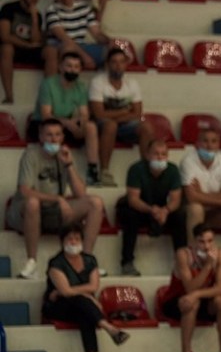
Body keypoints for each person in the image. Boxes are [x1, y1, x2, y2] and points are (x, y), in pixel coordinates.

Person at [9, 119, 104, 279]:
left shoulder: (64, 155)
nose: (54, 139)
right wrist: (58, 199)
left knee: (95, 203)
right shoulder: (30, 154)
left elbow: (81, 193)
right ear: (40, 136)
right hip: (26, 213)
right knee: (33, 203)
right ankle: (31, 262)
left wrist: (69, 165)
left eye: (58, 135)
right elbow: (25, 191)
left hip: (54, 212)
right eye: (49, 135)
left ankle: (86, 261)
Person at [42, 225, 130, 352]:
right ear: (62, 241)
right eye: (70, 238)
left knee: (84, 312)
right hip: (57, 306)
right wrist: (85, 294)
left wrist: (78, 293)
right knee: (81, 302)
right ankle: (109, 328)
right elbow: (66, 291)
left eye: (77, 238)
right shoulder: (56, 263)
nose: (73, 241)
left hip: (81, 306)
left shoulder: (90, 260)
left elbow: (94, 286)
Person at [158, 224, 221, 352]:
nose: (207, 246)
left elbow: (220, 288)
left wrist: (196, 295)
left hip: (201, 298)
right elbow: (189, 288)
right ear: (194, 242)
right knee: (192, 303)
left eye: (210, 241)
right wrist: (207, 267)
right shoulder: (183, 254)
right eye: (202, 242)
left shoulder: (220, 254)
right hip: (177, 300)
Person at [180, 128, 221, 273]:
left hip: (216, 213)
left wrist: (201, 194)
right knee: (195, 207)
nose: (209, 145)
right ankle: (194, 260)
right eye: (205, 141)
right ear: (197, 143)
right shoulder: (188, 161)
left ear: (219, 145)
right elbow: (191, 197)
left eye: (214, 141)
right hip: (195, 213)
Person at [30, 52, 103, 185]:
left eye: (76, 67)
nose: (72, 69)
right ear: (60, 67)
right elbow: (46, 115)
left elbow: (84, 113)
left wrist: (80, 126)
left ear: (80, 69)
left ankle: (92, 171)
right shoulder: (48, 84)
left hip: (67, 125)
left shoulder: (81, 87)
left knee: (91, 127)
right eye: (69, 66)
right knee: (53, 129)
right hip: (44, 125)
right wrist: (68, 124)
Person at [116, 139, 187, 277]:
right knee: (130, 214)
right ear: (147, 155)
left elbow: (175, 199)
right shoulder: (136, 169)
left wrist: (165, 211)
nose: (160, 157)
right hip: (142, 209)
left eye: (163, 154)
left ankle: (182, 262)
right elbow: (133, 199)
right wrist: (151, 210)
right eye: (156, 154)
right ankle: (127, 262)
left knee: (180, 214)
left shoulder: (173, 170)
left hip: (162, 209)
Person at [89, 47, 154, 186]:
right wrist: (124, 112)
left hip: (125, 125)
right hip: (102, 125)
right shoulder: (98, 82)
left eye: (121, 62)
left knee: (146, 127)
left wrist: (116, 116)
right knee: (110, 125)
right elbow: (98, 113)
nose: (118, 66)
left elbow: (137, 113)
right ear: (107, 64)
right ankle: (104, 171)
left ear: (126, 64)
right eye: (114, 62)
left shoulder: (132, 83)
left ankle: (146, 169)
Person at [0, 0, 55, 103]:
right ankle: (9, 95)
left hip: (29, 50)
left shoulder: (38, 14)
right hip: (14, 48)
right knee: (6, 48)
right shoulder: (8, 8)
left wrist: (35, 18)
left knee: (51, 51)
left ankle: (48, 98)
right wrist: (27, 45)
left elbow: (35, 40)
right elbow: (4, 35)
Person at [45, 0, 110, 71]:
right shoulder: (52, 10)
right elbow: (64, 38)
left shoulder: (84, 8)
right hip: (61, 46)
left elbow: (96, 33)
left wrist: (109, 41)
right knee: (68, 50)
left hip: (81, 45)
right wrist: (84, 56)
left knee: (112, 52)